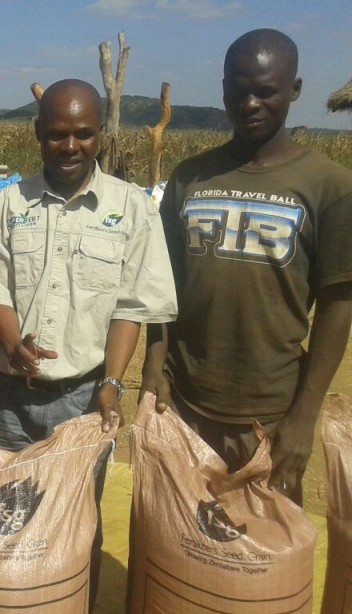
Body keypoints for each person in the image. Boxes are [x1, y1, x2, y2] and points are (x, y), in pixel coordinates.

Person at [0, 78, 177, 605]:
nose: (70, 145)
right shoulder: (10, 203)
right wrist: (12, 343)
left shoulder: (130, 209)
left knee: (77, 522)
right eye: (57, 133)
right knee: (3, 514)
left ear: (99, 135)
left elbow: (131, 306)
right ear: (38, 133)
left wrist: (110, 383)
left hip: (84, 400)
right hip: (10, 402)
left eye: (83, 133)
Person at [142, 29, 352, 505]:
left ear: (295, 90)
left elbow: (339, 304)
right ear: (222, 90)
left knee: (258, 562)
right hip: (183, 402)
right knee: (176, 550)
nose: (251, 103)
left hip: (270, 416)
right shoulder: (190, 176)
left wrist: (304, 416)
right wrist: (155, 364)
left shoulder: (329, 186)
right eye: (239, 91)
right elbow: (161, 283)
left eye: (267, 91)